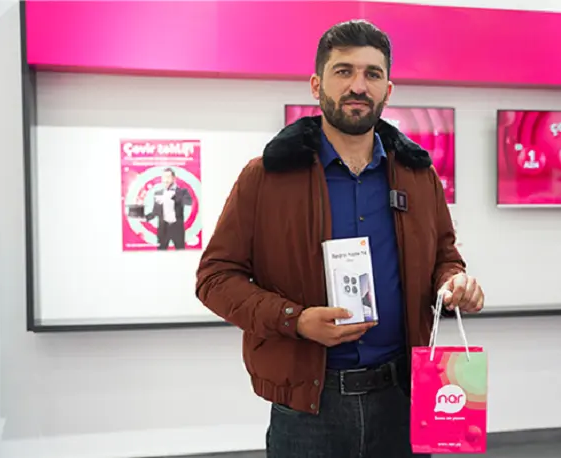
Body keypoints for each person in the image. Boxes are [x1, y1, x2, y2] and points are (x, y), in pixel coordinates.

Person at [196, 19, 484, 458]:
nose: (358, 86)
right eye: (343, 71)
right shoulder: (266, 177)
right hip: (309, 409)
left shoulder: (418, 176)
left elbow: (445, 255)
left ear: (388, 89)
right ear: (317, 85)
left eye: (372, 74)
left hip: (404, 398)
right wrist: (295, 319)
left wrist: (454, 282)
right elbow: (215, 278)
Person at [146, 168, 192, 250]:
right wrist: (144, 217)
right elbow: (155, 212)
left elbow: (189, 202)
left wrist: (172, 196)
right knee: (161, 253)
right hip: (163, 229)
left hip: (177, 229)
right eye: (164, 177)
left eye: (168, 177)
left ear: (174, 178)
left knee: (180, 253)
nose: (166, 180)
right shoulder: (158, 193)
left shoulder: (182, 192)